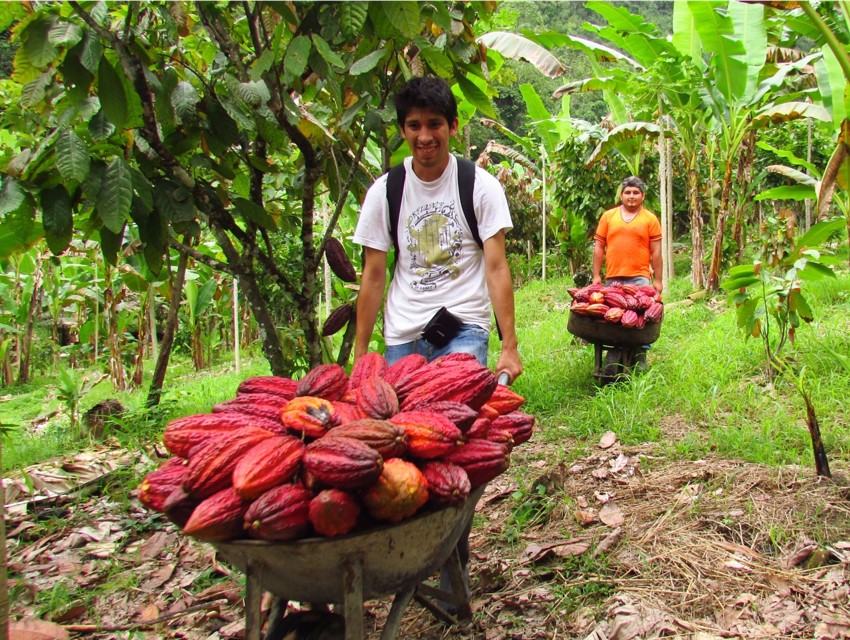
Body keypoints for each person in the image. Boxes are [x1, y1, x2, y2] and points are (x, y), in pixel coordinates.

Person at [352, 75, 522, 611]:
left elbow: (496, 267)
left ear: (452, 126)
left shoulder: (479, 187)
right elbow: (373, 275)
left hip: (463, 330)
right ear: (403, 130)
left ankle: (452, 559)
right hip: (404, 337)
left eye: (434, 125)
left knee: (452, 450)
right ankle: (409, 554)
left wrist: (509, 344)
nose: (424, 136)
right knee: (397, 449)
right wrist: (360, 353)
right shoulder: (385, 192)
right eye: (413, 126)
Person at [591, 176, 663, 373]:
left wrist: (658, 280)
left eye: (636, 193)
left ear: (643, 196)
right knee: (612, 318)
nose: (631, 196)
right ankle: (613, 350)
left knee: (642, 318)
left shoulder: (650, 219)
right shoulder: (608, 217)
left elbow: (656, 252)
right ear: (621, 195)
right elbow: (599, 247)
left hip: (640, 278)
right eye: (628, 192)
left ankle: (641, 355)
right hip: (613, 278)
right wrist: (596, 275)